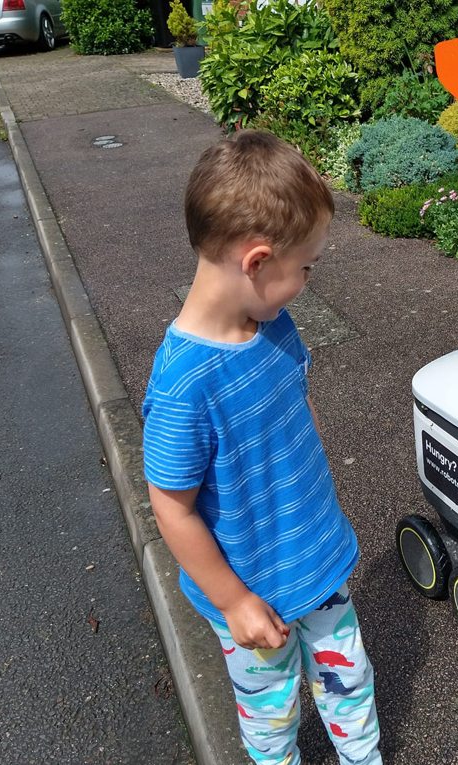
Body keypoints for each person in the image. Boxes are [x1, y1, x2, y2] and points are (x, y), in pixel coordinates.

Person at [141, 130, 381, 765]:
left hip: (316, 561)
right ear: (257, 261)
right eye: (304, 267)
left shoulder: (273, 325)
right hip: (250, 591)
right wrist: (232, 600)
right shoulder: (184, 387)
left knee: (349, 688)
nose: (306, 281)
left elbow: (292, 418)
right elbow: (171, 506)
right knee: (272, 719)